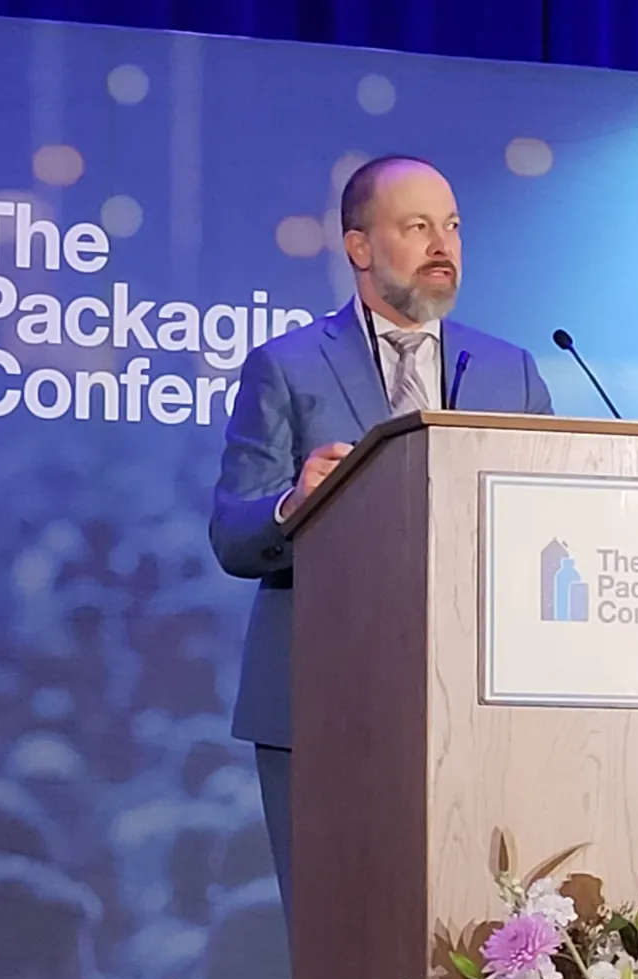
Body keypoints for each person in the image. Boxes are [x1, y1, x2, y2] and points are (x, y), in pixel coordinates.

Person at [209, 155, 555, 917]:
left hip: (480, 703)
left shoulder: (513, 372)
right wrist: (292, 505)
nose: (445, 243)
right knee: (341, 935)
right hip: (325, 705)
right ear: (360, 247)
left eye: (454, 225)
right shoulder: (287, 367)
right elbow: (233, 533)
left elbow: (553, 521)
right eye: (418, 226)